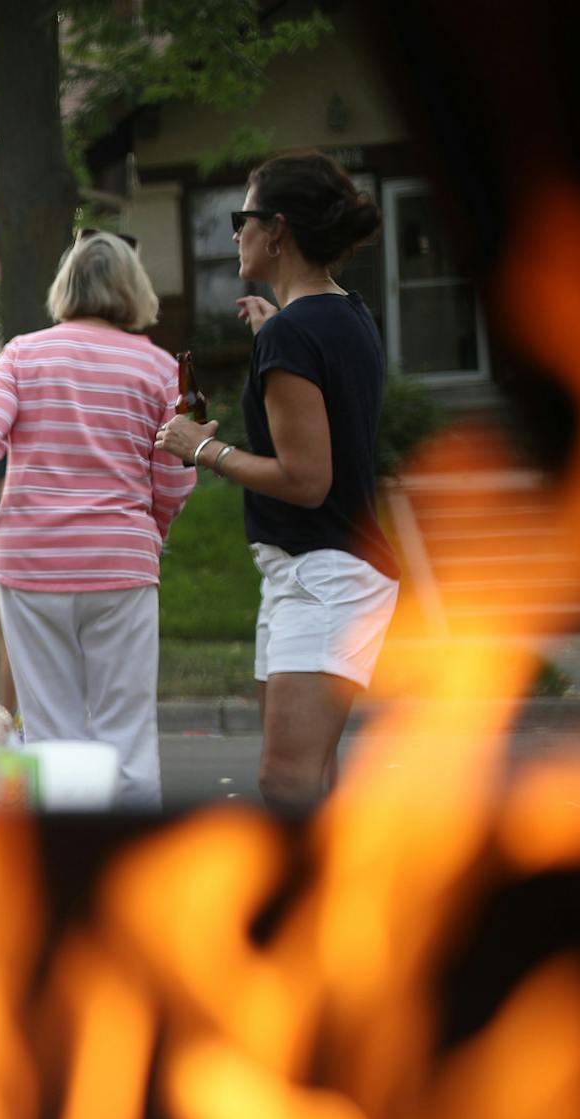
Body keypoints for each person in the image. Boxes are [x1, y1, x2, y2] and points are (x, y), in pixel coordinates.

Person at [157, 150, 396, 812]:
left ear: (277, 229)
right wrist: (275, 331)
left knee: (287, 778)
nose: (234, 231)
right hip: (315, 568)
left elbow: (307, 478)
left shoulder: (295, 333)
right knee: (309, 773)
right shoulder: (343, 313)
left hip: (324, 574)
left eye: (243, 215)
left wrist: (203, 447)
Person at [0, 232, 195, 809]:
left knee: (50, 733)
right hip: (122, 562)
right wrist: (151, 531)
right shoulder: (162, 367)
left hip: (29, 562)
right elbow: (176, 474)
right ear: (132, 287)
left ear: (66, 286)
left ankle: (61, 876)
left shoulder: (22, 353)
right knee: (128, 733)